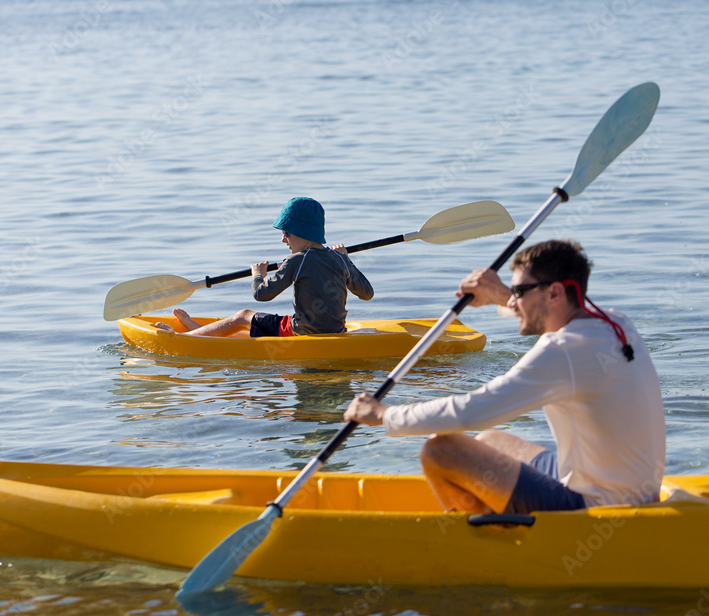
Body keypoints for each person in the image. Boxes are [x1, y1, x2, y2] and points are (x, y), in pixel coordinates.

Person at [343, 239, 665, 513]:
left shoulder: (562, 350)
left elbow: (473, 410)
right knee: (491, 442)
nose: (515, 298)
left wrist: (385, 415)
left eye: (520, 290)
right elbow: (543, 316)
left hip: (597, 504)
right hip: (614, 482)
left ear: (554, 294)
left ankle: (488, 546)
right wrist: (501, 296)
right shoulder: (615, 323)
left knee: (440, 449)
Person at [155, 197, 374, 338]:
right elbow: (367, 294)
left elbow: (262, 295)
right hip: (336, 331)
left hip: (302, 332)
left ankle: (185, 338)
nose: (283, 240)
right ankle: (197, 330)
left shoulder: (297, 261)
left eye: (286, 232)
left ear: (301, 232)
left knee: (242, 316)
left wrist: (257, 276)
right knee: (252, 328)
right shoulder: (339, 258)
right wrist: (347, 260)